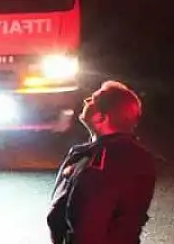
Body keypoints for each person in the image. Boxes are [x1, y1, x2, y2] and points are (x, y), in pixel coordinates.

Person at [47, 80, 158, 244]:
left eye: (93, 99)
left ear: (101, 117)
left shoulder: (102, 161)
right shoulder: (133, 154)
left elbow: (88, 224)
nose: (86, 100)